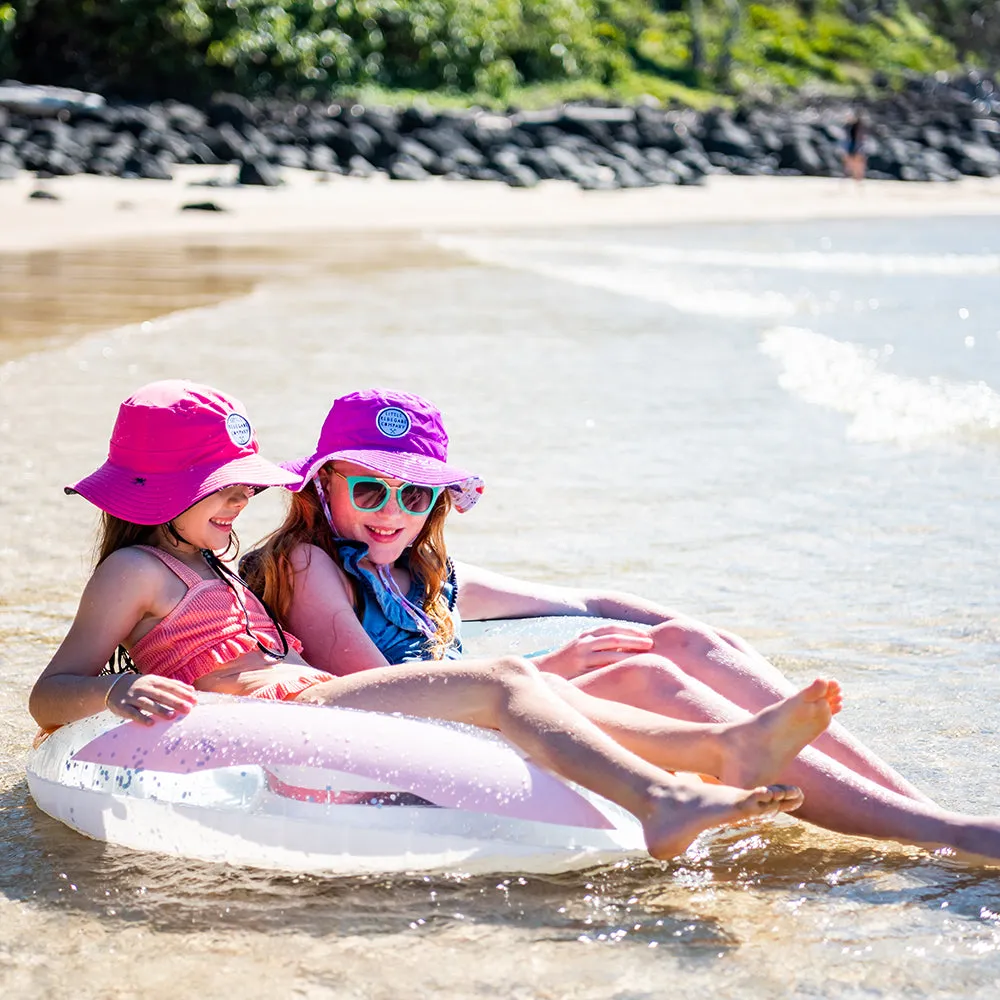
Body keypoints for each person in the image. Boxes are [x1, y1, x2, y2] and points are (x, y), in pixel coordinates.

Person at [31, 379, 841, 862]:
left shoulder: (210, 563)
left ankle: (717, 753)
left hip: (306, 698)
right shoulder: (134, 570)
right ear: (158, 489)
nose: (246, 501)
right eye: (228, 488)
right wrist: (120, 691)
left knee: (526, 686)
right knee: (502, 682)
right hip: (277, 715)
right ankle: (665, 798)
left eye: (247, 487)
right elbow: (51, 691)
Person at [244, 387, 1000, 863]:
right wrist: (560, 672)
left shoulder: (417, 570)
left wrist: (698, 634)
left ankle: (926, 814)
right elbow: (369, 691)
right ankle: (945, 834)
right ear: (324, 486)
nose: (392, 513)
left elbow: (590, 600)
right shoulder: (312, 566)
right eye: (371, 489)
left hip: (469, 713)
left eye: (415, 498)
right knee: (648, 676)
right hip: (394, 746)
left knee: (675, 648)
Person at [842, 113, 867, 182]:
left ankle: (854, 175)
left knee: (855, 161)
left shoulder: (854, 128)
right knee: (854, 161)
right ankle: (854, 175)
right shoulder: (852, 128)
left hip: (854, 145)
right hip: (854, 145)